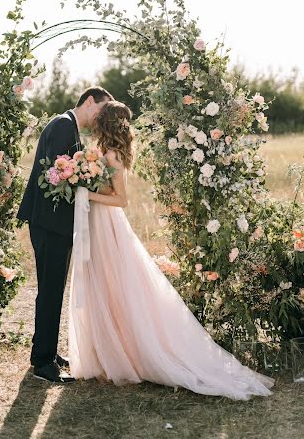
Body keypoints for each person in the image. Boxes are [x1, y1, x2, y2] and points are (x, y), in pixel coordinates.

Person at [68, 100, 275, 400]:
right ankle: (106, 352)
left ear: (107, 123)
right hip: (97, 224)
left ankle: (125, 353)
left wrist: (88, 193)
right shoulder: (101, 151)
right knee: (103, 286)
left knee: (115, 286)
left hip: (109, 225)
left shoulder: (112, 155)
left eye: (100, 117)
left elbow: (121, 200)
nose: (95, 120)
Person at [17, 86, 113, 383]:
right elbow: (55, 175)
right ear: (88, 101)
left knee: (53, 289)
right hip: (49, 224)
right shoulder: (62, 125)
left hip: (53, 224)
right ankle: (42, 362)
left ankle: (47, 351)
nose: (100, 119)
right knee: (50, 290)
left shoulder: (68, 127)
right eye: (100, 111)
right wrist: (87, 179)